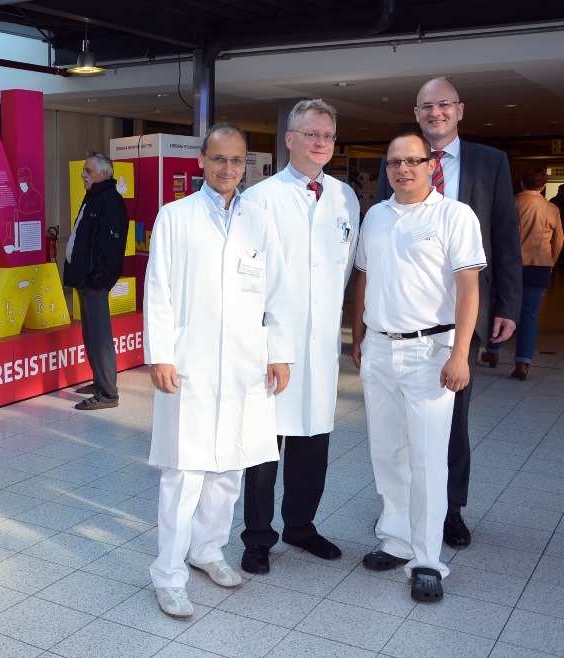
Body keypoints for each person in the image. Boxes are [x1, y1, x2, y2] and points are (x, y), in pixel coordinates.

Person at [144, 123, 295, 617]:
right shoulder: (175, 216)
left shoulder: (259, 220)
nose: (227, 169)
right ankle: (168, 573)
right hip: (190, 361)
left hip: (245, 362)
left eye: (236, 161)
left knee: (229, 467)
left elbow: (277, 293)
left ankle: (208, 550)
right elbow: (159, 290)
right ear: (201, 162)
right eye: (218, 159)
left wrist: (278, 351)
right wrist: (160, 354)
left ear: (244, 163)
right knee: (185, 471)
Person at [374, 77, 522, 548]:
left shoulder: (490, 162)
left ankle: (449, 509)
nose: (435, 113)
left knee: (453, 416)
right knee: (398, 427)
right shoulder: (398, 164)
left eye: (443, 105)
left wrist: (508, 305)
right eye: (426, 107)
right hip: (405, 317)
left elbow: (504, 236)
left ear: (460, 110)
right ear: (416, 114)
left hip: (464, 312)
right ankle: (404, 515)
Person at [352, 133, 485, 603]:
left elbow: (469, 288)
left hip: (432, 353)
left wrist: (461, 353)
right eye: (394, 163)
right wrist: (360, 336)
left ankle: (426, 559)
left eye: (412, 161)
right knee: (387, 452)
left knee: (428, 458)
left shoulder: (454, 215)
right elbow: (363, 277)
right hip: (381, 350)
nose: (402, 169)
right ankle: (396, 539)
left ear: (431, 164)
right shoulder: (376, 216)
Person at [238, 99, 360, 574]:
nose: (320, 143)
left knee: (314, 443)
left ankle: (301, 527)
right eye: (311, 134)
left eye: (328, 135)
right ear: (289, 139)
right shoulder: (261, 197)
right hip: (272, 344)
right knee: (266, 449)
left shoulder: (345, 197)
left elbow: (344, 269)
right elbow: (249, 277)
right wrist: (268, 341)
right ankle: (258, 537)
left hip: (322, 345)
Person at [483, 168, 563, 380]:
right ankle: (523, 363)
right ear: (544, 186)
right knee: (529, 314)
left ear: (521, 182)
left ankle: (493, 352)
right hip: (539, 266)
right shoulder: (552, 208)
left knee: (501, 307)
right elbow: (559, 240)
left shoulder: (512, 202)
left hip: (509, 266)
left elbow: (496, 234)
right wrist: (550, 262)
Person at [63, 152, 129, 410]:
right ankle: (100, 381)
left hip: (94, 282)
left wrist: (98, 279)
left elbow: (112, 247)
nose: (83, 175)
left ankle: (108, 394)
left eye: (88, 170)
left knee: (100, 336)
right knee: (91, 334)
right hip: (85, 279)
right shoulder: (95, 197)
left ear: (104, 173)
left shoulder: (110, 200)